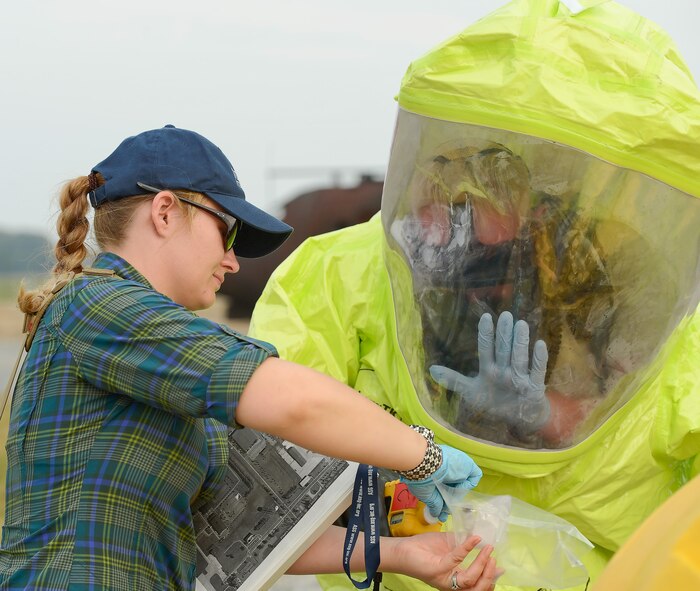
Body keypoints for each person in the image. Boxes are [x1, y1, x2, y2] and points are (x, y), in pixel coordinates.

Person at [249, 1, 700, 590]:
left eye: (489, 250)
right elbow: (276, 455)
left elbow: (658, 419)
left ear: (540, 212)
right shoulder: (342, 277)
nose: (468, 266)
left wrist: (544, 417)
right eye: (448, 233)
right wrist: (406, 463)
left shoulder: (622, 287)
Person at [0, 125, 496, 591]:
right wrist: (420, 453)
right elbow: (294, 402)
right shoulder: (99, 306)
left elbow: (242, 535)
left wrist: (405, 556)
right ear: (166, 212)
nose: (234, 261)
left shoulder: (163, 365)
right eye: (227, 232)